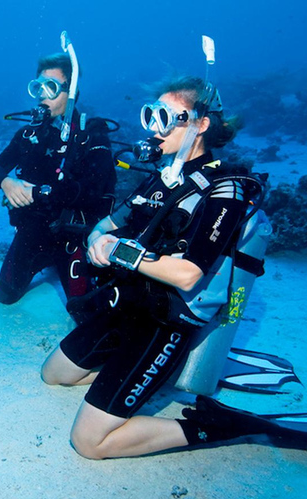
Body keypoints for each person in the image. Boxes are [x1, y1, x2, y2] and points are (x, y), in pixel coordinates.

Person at [40, 76, 278, 459]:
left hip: (165, 321)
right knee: (54, 375)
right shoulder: (159, 180)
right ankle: (137, 376)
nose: (155, 128)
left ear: (201, 124)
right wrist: (96, 241)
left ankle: (217, 426)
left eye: (168, 117)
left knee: (89, 443)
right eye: (152, 116)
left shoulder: (224, 190)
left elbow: (189, 274)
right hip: (129, 304)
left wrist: (119, 251)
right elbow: (108, 225)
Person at [0, 53, 116, 306]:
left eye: (51, 87)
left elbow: (94, 189)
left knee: (84, 310)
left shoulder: (91, 132)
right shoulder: (29, 132)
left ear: (71, 92)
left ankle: (65, 264)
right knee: (5, 295)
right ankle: (44, 262)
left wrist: (37, 193)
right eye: (38, 87)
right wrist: (6, 182)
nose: (42, 94)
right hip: (33, 228)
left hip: (73, 234)